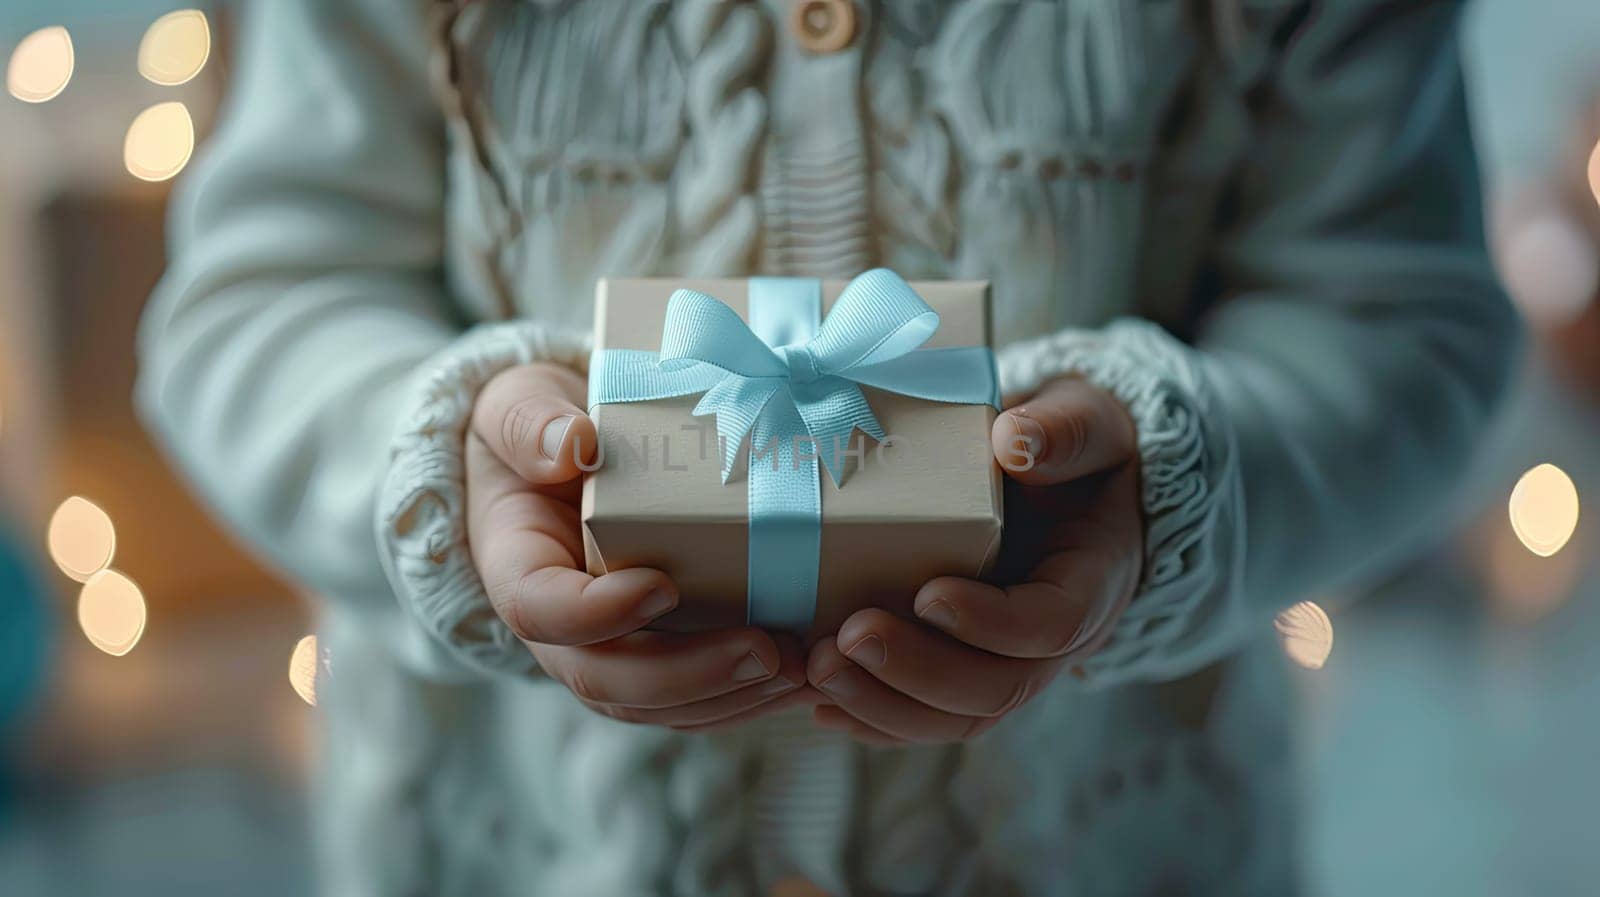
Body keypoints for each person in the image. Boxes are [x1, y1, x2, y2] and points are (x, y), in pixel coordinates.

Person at [136, 0, 1517, 894]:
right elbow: (252, 308)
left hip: (1107, 850)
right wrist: (444, 472)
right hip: (518, 851)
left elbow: (1406, 321)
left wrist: (1178, 485)